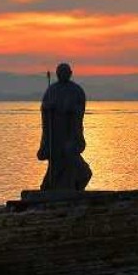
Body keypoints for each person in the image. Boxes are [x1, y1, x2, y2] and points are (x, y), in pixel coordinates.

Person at [37, 62, 92, 191]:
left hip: (70, 132)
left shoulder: (76, 91)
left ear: (70, 74)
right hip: (56, 133)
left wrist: (70, 109)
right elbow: (45, 108)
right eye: (60, 73)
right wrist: (47, 108)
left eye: (65, 72)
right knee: (56, 162)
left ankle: (73, 185)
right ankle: (49, 188)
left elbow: (80, 110)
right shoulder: (52, 90)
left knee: (70, 156)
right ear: (57, 74)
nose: (63, 75)